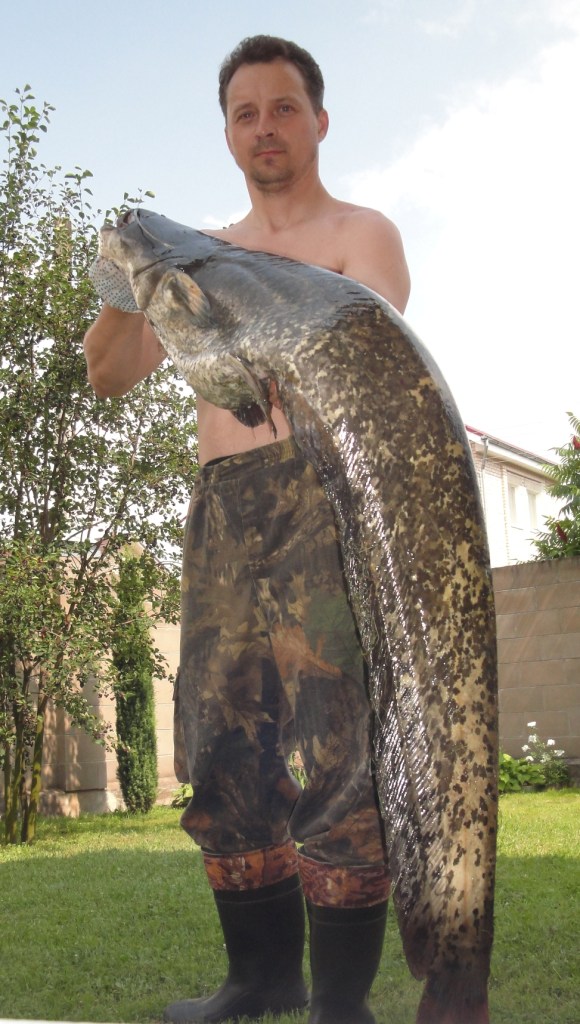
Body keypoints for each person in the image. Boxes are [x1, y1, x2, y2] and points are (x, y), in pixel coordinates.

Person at [84, 35, 410, 1024]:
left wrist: (196, 296)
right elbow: (110, 373)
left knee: (340, 749)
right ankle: (260, 978)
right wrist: (126, 280)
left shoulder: (361, 233)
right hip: (222, 512)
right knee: (223, 750)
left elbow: (350, 360)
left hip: (324, 503)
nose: (264, 127)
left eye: (283, 107)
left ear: (319, 120)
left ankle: (340, 1002)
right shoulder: (193, 256)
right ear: (227, 133)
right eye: (245, 113)